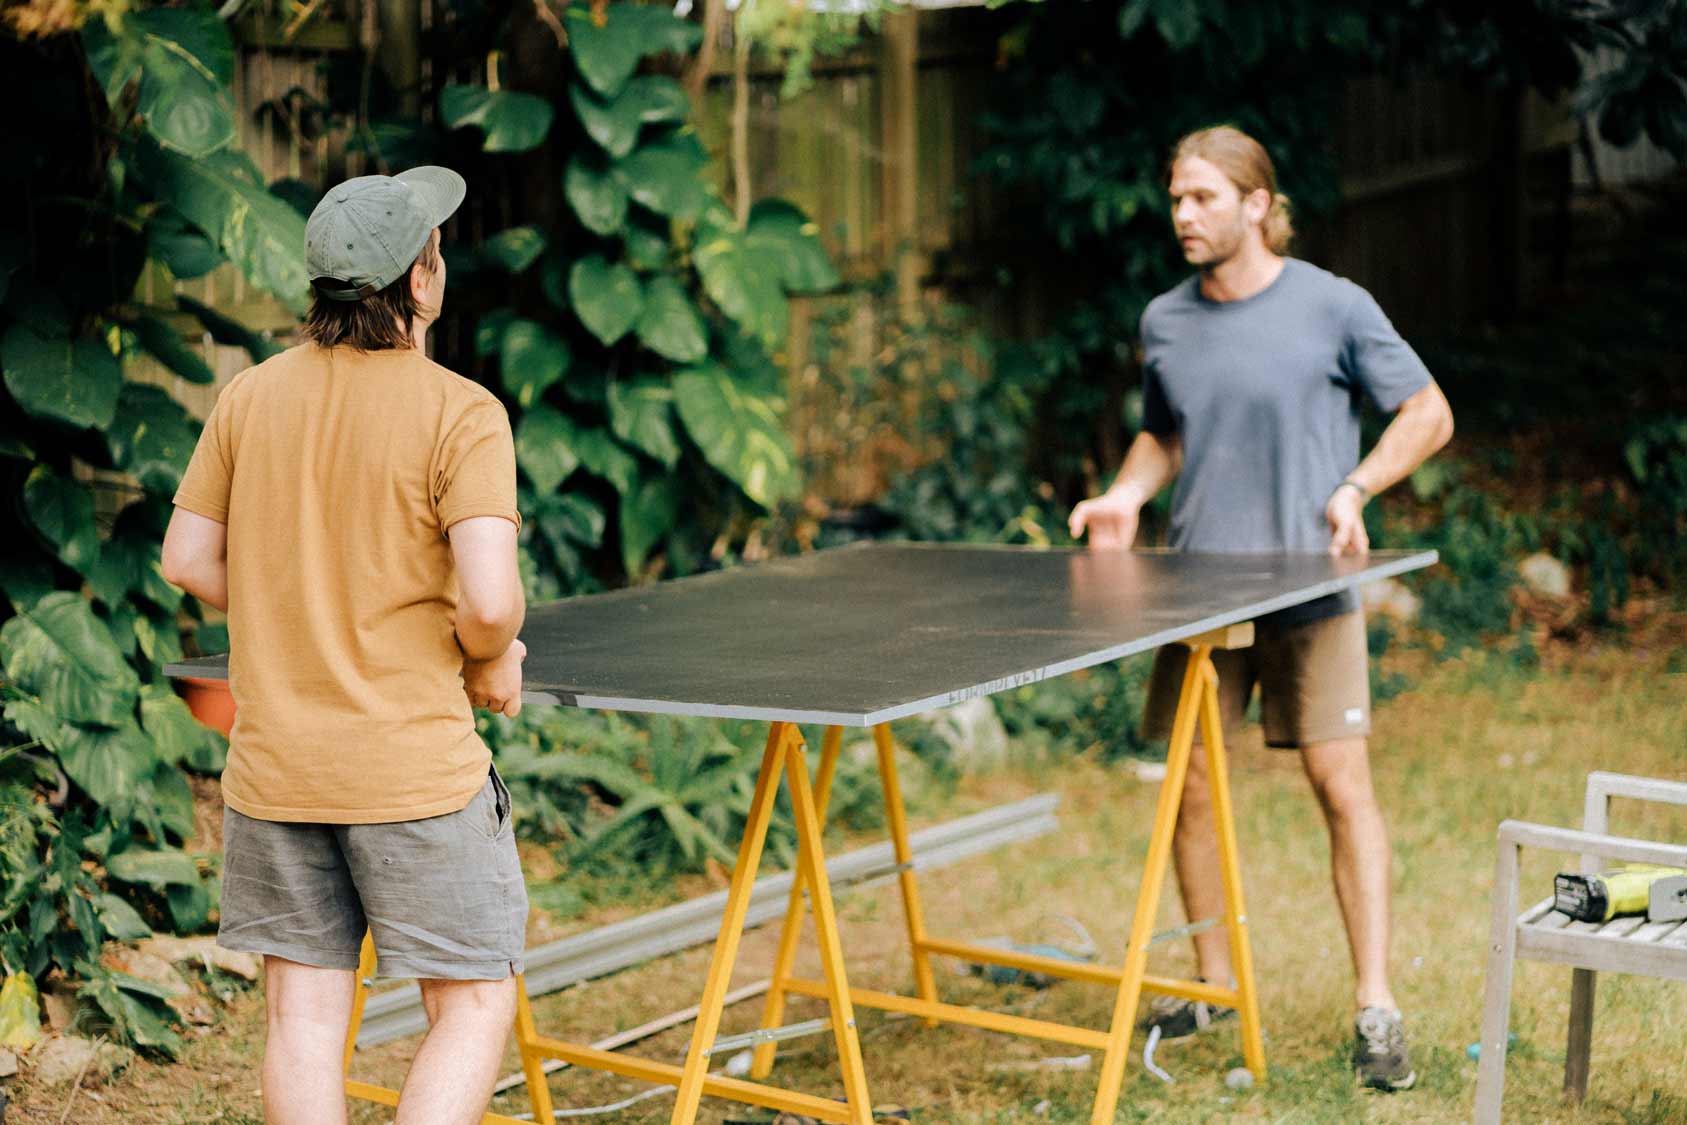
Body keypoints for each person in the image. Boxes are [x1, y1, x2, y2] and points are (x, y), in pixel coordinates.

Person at [1068, 126, 1455, 1092]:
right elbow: (1165, 433)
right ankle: (1211, 984)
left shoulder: (1332, 305)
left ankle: (1375, 1003)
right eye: (1174, 197)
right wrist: (1124, 495)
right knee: (1191, 786)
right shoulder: (1165, 319)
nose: (1182, 215)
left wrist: (1356, 488)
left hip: (1308, 589)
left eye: (1201, 196)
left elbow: (1427, 411)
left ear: (1255, 203)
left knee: (1339, 785)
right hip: (1197, 594)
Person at [162, 167, 530, 1125]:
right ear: (420, 281)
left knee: (303, 1015)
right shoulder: (461, 412)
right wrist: (488, 652)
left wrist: (291, 599)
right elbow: (492, 602)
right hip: (413, 773)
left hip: (276, 772)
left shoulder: (250, 396)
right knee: (472, 1000)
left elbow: (186, 557)